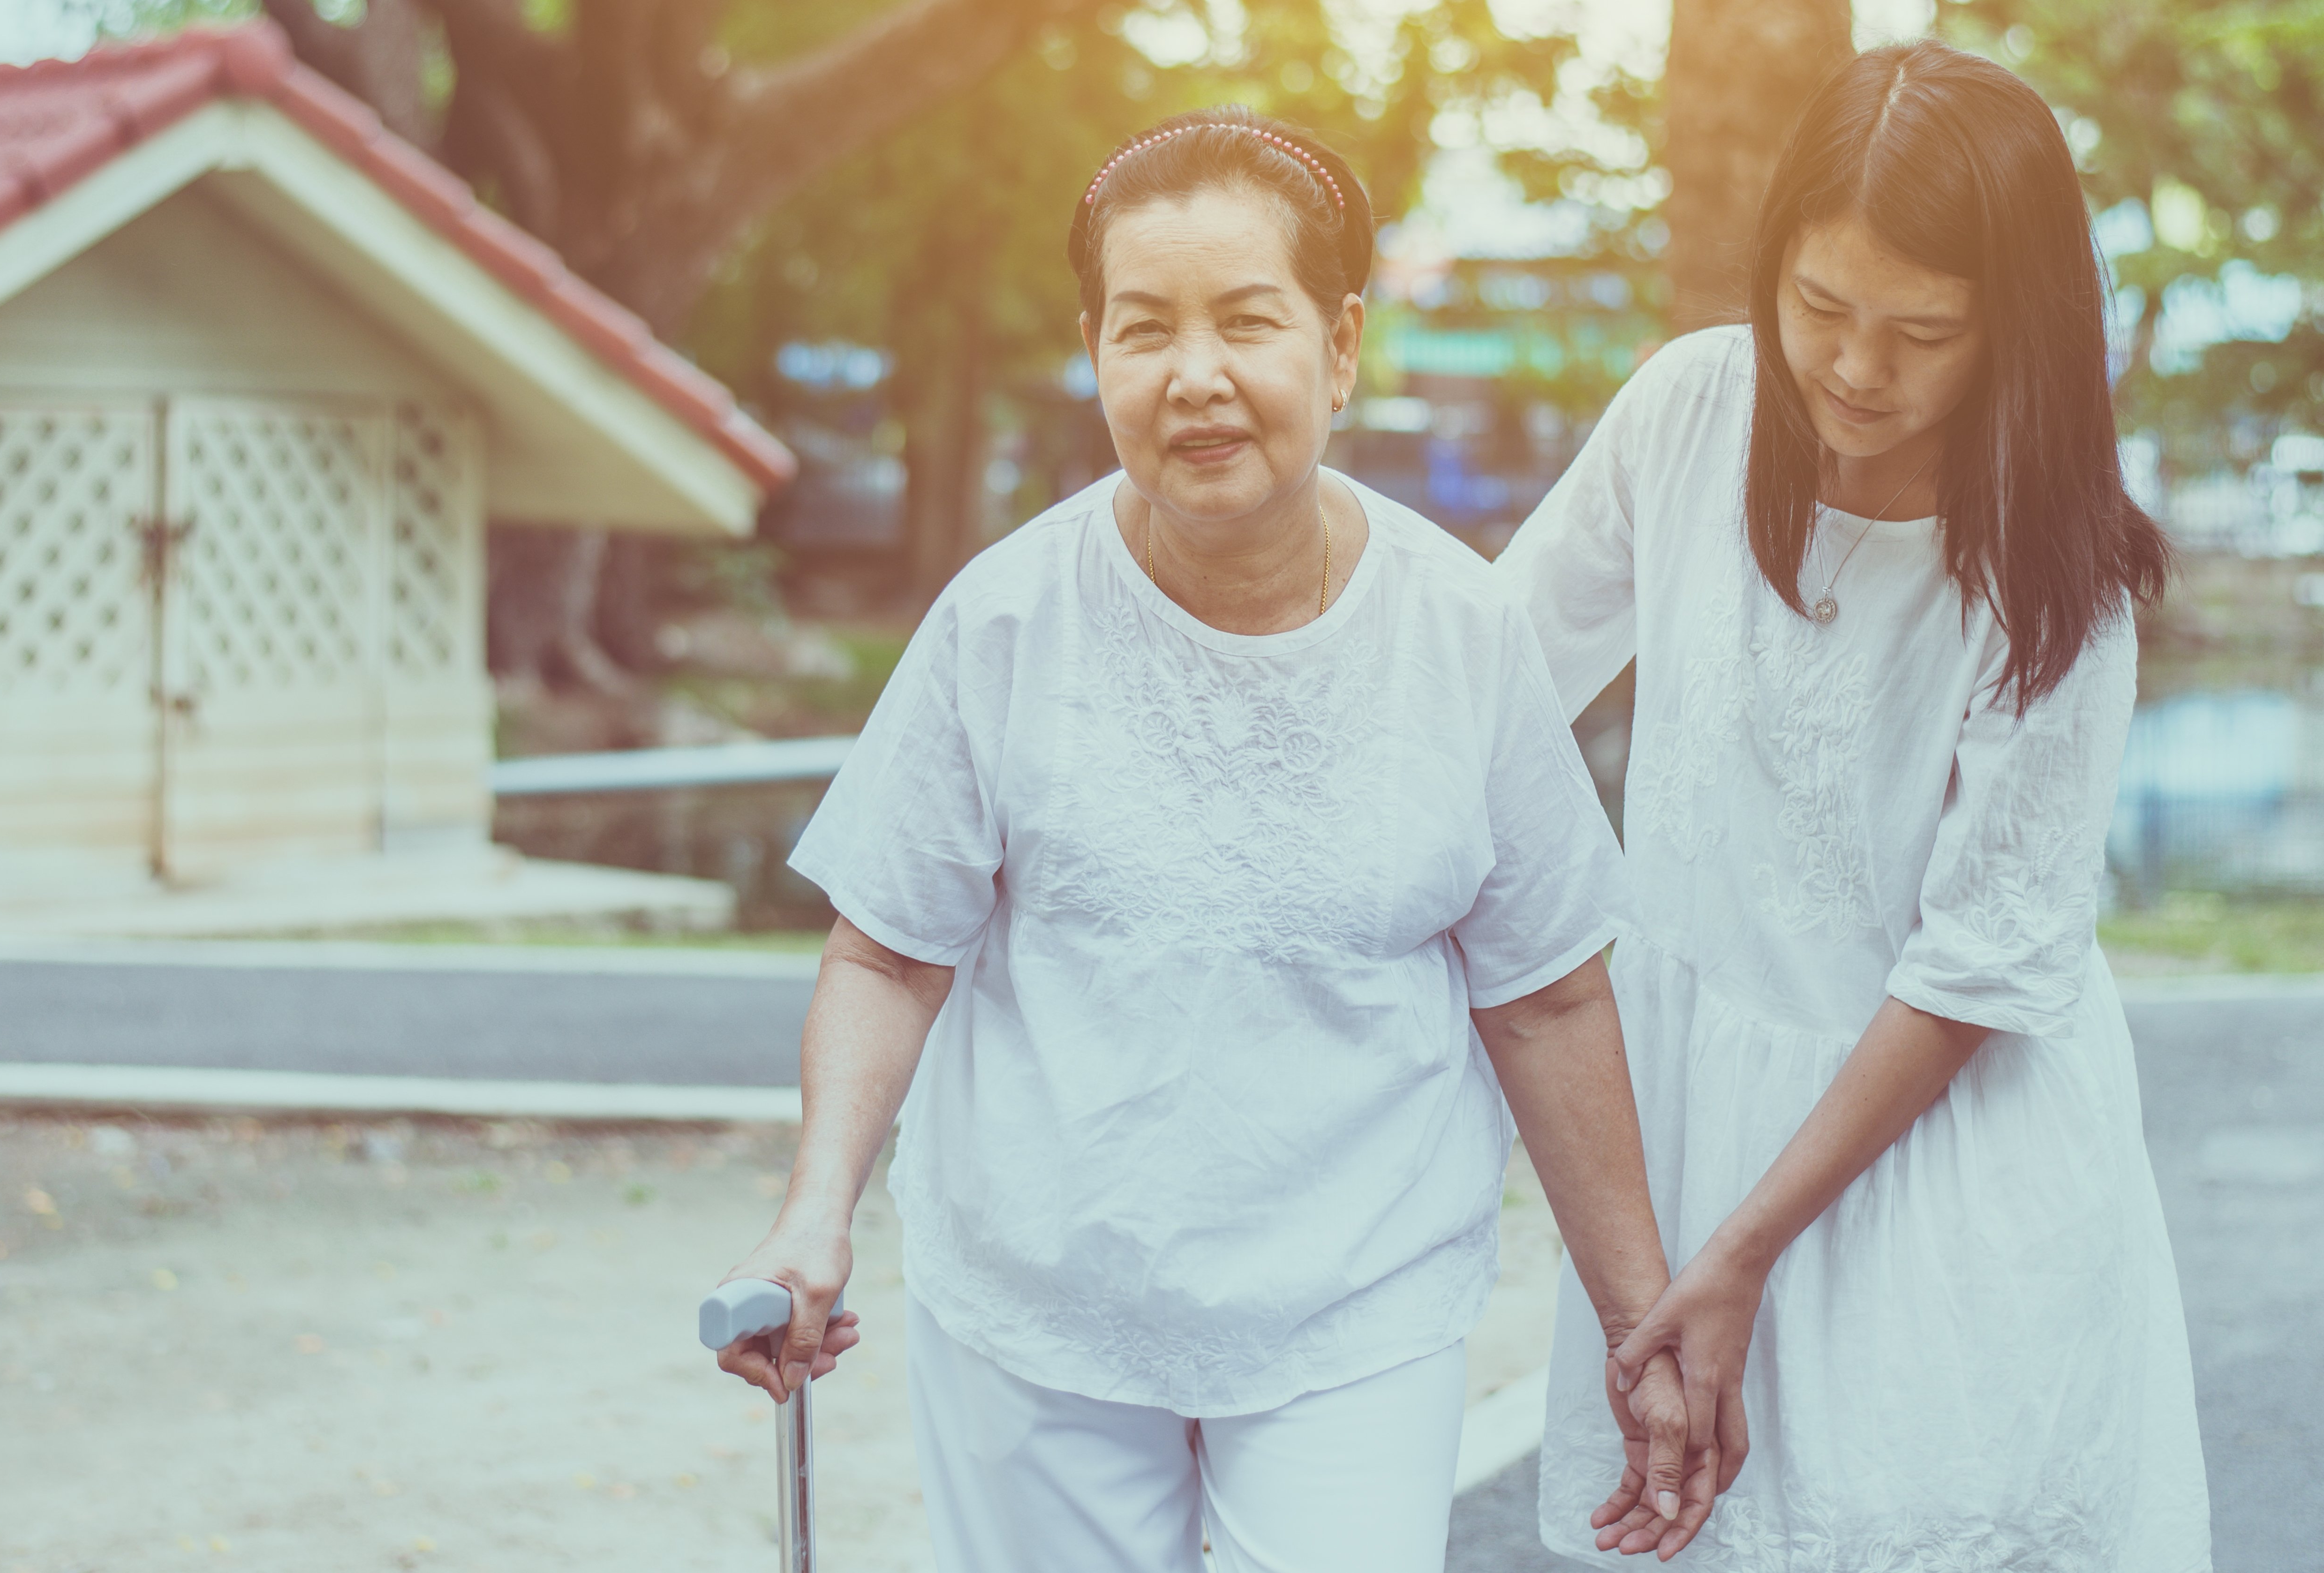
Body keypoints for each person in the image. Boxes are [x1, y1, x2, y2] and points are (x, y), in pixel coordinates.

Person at [710, 108, 1716, 1573]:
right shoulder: (1001, 621)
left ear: (1341, 344)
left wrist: (1638, 1322)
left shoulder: (1462, 635)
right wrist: (812, 1214)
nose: (1195, 378)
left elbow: (1547, 989)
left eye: (1248, 322)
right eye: (1142, 330)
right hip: (1041, 1297)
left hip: (1352, 1302)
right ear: (1095, 351)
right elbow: (886, 950)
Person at [1502, 42, 2212, 1567]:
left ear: (2010, 330)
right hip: (1696, 1112)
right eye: (1818, 306)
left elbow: (1976, 966)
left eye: (1921, 333)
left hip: (1935, 1144)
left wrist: (1740, 1253)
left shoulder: (2053, 578)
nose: (1853, 369)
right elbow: (1492, 682)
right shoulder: (1692, 410)